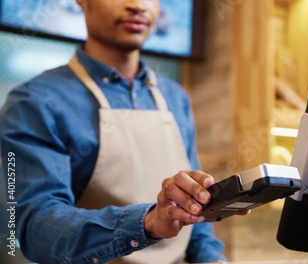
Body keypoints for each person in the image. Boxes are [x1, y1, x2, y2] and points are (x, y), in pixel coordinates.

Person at [0, 0, 243, 263]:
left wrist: (212, 258)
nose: (137, 5)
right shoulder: (34, 101)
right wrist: (149, 221)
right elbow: (35, 229)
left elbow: (196, 220)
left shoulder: (175, 96)